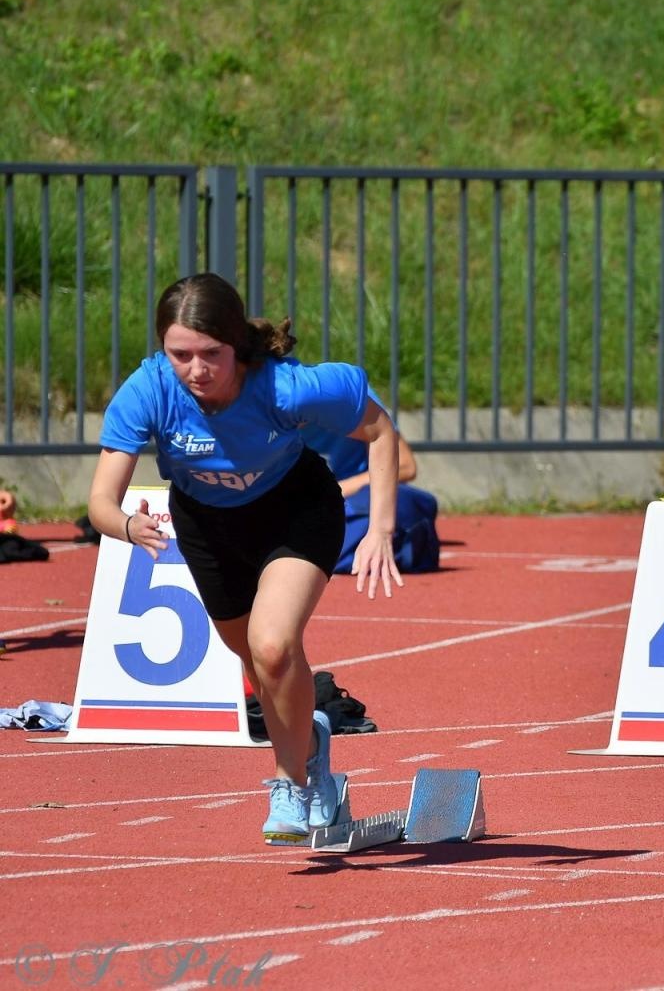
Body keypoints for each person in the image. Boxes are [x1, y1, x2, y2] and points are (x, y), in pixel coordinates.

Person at [87, 273, 404, 846]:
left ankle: (288, 781)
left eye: (211, 354)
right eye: (180, 355)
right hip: (209, 528)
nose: (196, 370)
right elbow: (100, 504)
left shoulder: (288, 387)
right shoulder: (148, 391)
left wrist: (380, 528)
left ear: (237, 346)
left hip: (296, 511)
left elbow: (380, 431)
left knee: (273, 644)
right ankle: (312, 751)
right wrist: (130, 526)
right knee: (262, 666)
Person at [301, 397, 441, 574]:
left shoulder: (349, 396)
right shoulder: (261, 403)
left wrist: (335, 490)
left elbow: (406, 466)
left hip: (351, 502)